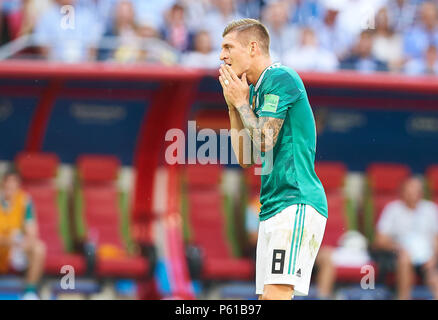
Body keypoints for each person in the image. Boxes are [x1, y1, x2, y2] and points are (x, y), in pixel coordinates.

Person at [218, 18, 328, 300]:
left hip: (296, 201)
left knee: (277, 295)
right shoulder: (253, 90)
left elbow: (265, 140)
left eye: (228, 47)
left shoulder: (281, 78)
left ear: (253, 47)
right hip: (271, 207)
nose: (222, 56)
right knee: (267, 298)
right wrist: (233, 107)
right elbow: (246, 158)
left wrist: (242, 104)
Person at [374, 177, 438, 300]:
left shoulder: (431, 209)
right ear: (402, 192)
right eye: (409, 192)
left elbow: (436, 238)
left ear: (421, 193)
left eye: (416, 192)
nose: (412, 195)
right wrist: (399, 248)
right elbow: (380, 240)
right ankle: (403, 297)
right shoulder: (392, 209)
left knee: (434, 277)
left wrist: (433, 258)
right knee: (404, 259)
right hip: (398, 255)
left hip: (428, 258)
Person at [0, 170, 46, 300]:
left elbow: (32, 230)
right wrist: (7, 241)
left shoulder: (24, 201)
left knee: (39, 248)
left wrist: (24, 240)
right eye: (8, 183)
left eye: (14, 183)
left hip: (15, 248)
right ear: (3, 183)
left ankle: (29, 292)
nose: (10, 187)